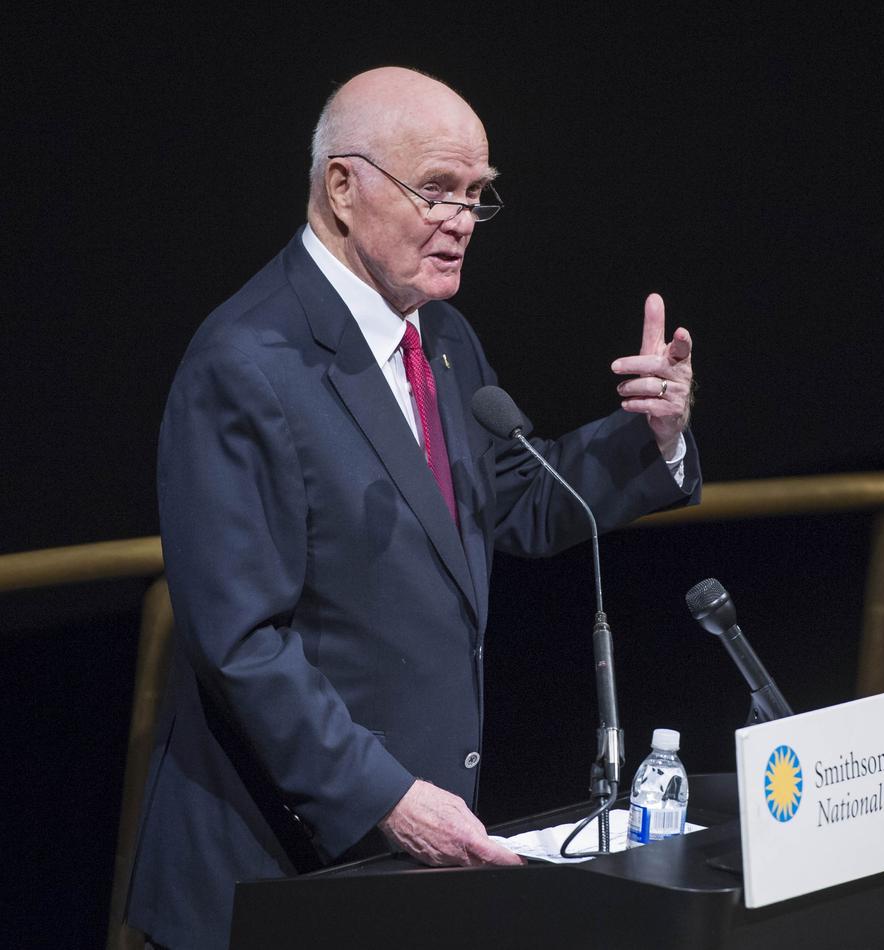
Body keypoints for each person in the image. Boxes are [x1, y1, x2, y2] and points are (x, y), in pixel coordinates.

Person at [125, 66, 699, 949]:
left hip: (406, 866)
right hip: (277, 871)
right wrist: (385, 797)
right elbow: (240, 643)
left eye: (477, 196)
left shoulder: (441, 333)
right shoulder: (245, 362)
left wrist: (651, 439)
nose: (462, 221)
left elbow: (510, 498)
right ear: (342, 188)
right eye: (435, 190)